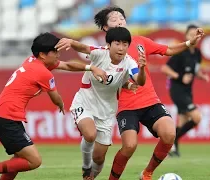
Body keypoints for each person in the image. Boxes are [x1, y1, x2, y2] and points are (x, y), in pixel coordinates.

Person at [79, 6, 204, 180]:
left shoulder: (139, 42)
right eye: (113, 19)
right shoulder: (101, 54)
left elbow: (168, 50)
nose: (119, 20)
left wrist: (191, 43)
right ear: (106, 28)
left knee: (169, 133)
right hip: (126, 107)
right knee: (129, 146)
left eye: (121, 17)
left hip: (150, 101)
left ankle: (147, 173)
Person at [0, 32, 107, 180]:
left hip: (4, 117)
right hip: (7, 119)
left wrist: (91, 68)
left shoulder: (33, 61)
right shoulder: (42, 72)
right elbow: (55, 97)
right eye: (55, 51)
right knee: (34, 161)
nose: (58, 54)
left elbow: (67, 65)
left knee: (19, 159)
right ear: (43, 54)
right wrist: (60, 104)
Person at [56, 26, 147, 180]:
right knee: (90, 135)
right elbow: (84, 47)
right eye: (117, 43)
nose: (121, 48)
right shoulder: (99, 54)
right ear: (109, 45)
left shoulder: (129, 62)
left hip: (106, 111)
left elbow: (139, 80)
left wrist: (142, 68)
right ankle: (86, 167)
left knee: (99, 158)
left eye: (125, 44)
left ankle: (91, 177)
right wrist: (71, 41)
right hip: (85, 102)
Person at [161, 24, 210, 157]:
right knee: (197, 117)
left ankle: (173, 149)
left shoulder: (198, 54)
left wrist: (202, 76)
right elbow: (165, 69)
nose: (194, 36)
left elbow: (195, 70)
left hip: (188, 91)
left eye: (196, 34)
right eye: (191, 34)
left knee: (182, 121)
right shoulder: (181, 52)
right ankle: (172, 140)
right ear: (186, 36)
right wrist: (180, 77)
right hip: (177, 90)